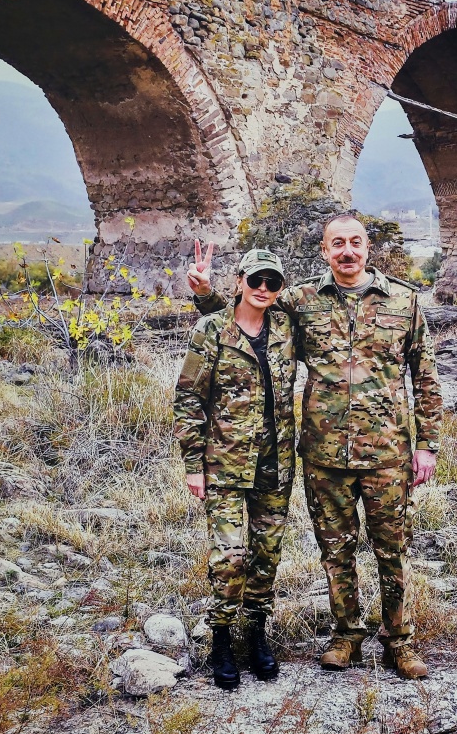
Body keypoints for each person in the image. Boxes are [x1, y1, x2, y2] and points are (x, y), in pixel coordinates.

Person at [187, 216, 442, 679]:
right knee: (336, 552)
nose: (347, 251)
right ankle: (346, 638)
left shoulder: (404, 301)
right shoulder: (301, 299)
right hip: (324, 457)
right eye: (337, 244)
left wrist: (427, 445)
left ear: (369, 248)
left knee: (392, 549)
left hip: (388, 454)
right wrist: (205, 293)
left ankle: (399, 641)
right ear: (324, 251)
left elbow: (425, 376)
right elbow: (246, 313)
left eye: (356, 243)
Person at [174, 247, 298, 690]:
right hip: (224, 463)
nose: (263, 289)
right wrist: (193, 464)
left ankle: (257, 636)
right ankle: (222, 640)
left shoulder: (286, 327)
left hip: (276, 463)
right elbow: (188, 399)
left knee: (266, 556)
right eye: (256, 280)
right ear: (240, 279)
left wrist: (208, 293)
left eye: (272, 282)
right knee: (230, 558)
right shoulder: (210, 330)